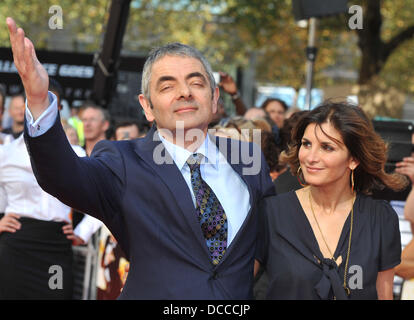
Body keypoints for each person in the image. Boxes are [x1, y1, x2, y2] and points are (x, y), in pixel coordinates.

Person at [7, 17, 275, 299]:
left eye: (196, 82)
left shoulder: (246, 157)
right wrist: (38, 100)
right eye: (167, 87)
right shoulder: (123, 161)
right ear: (147, 107)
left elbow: (267, 240)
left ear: (214, 98)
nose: (185, 92)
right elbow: (61, 175)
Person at [255, 101, 408, 300]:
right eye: (306, 144)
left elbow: (383, 295)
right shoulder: (270, 212)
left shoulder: (380, 219)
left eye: (327, 147)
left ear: (353, 159)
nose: (311, 157)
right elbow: (234, 285)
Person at [0, 133, 102, 299]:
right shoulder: (6, 153)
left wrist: (82, 232)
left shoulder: (75, 153)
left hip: (57, 246)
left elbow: (100, 198)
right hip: (16, 244)